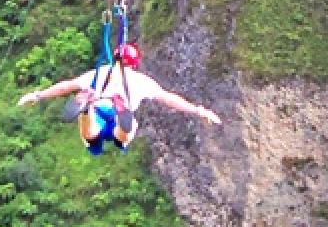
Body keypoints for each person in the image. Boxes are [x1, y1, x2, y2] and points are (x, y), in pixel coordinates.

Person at [16, 41, 222, 153]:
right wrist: (198, 110)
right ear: (134, 64)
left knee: (91, 137)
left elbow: (65, 86)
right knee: (124, 136)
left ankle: (87, 110)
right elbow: (169, 99)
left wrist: (37, 95)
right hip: (118, 115)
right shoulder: (141, 81)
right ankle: (120, 113)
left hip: (98, 110)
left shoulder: (99, 74)